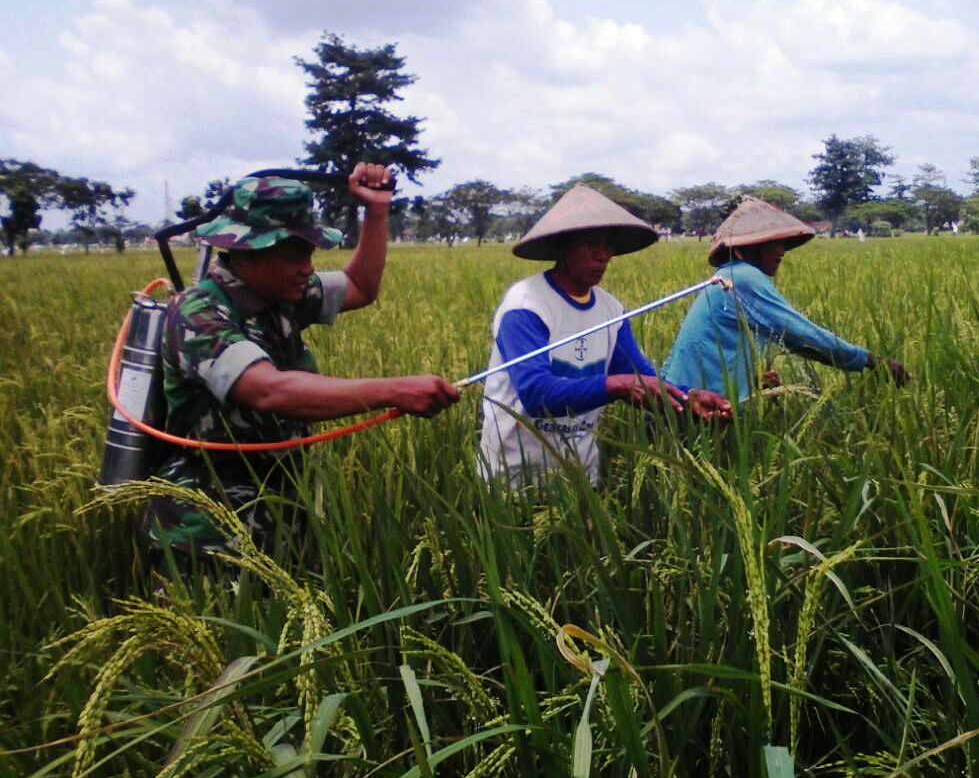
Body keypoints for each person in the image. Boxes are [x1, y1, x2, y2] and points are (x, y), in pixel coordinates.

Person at [146, 164, 459, 562]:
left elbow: (360, 287)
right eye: (294, 255)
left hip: (277, 513)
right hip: (205, 534)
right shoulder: (198, 313)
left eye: (309, 253)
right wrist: (395, 391)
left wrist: (376, 212)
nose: (308, 268)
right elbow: (267, 390)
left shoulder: (282, 294)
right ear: (248, 249)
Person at [479, 184, 730, 487]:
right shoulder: (527, 305)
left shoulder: (611, 310)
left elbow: (639, 378)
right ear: (561, 245)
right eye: (590, 243)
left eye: (608, 245)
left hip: (579, 477)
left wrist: (687, 397)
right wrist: (616, 386)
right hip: (515, 479)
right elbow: (536, 394)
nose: (603, 255)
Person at [661, 196, 908, 402]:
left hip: (681, 398)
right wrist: (870, 359)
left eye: (782, 243)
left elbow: (720, 352)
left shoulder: (729, 276)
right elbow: (800, 334)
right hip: (695, 403)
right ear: (740, 249)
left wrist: (752, 381)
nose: (781, 251)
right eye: (771, 244)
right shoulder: (741, 277)